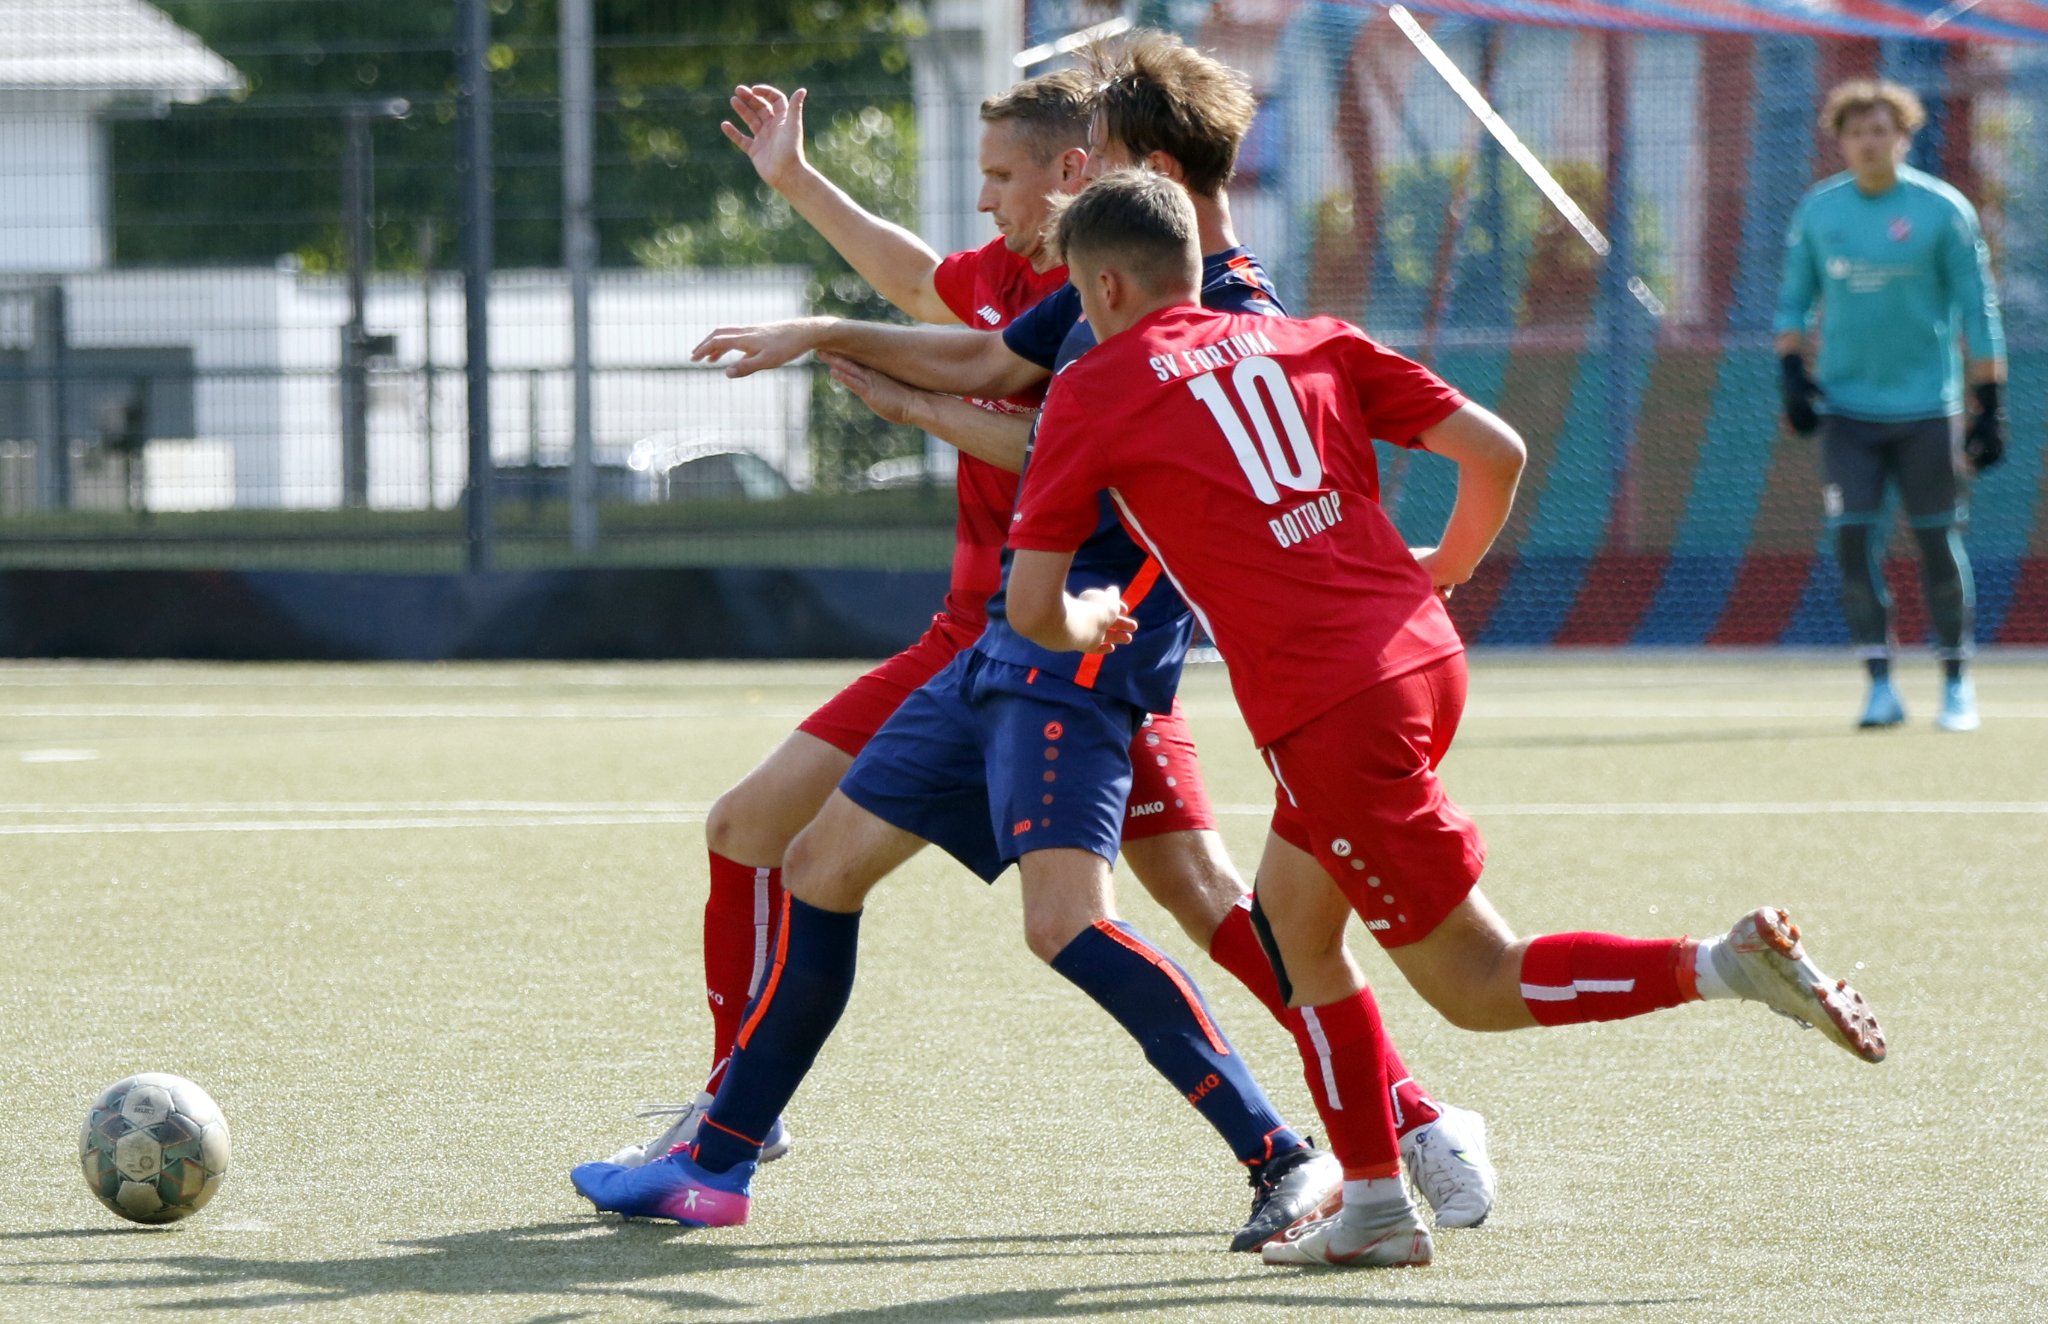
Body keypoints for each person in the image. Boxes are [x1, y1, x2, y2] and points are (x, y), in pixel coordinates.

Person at [1003, 169, 1888, 1270]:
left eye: (1082, 302)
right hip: (1417, 656)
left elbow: (1030, 606)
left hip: (1329, 706)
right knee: (1293, 921)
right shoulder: (1310, 335)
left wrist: (1090, 617)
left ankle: (1715, 963)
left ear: (1103, 283)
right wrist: (1449, 565)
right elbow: (1496, 451)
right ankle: (1373, 1199)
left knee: (1474, 981)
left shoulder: (1094, 387)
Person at [683, 32, 1493, 1228]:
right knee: (782, 836)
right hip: (1012, 643)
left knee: (1149, 903)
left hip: (1072, 649)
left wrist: (884, 381)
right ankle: (730, 1116)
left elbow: (1064, 449)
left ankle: (1369, 1127)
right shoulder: (1063, 279)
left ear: (1114, 170)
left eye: (1025, 174)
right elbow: (927, 298)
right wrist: (805, 212)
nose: (996, 199)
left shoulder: (1187, 303)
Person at [1774, 78, 2007, 732]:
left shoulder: (1942, 210)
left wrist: (1990, 403)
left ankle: (1957, 684)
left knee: (1938, 543)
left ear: (1904, 137)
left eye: (1882, 130)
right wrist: (1793, 372)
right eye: (1856, 132)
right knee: (1851, 544)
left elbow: (1978, 308)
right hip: (1848, 414)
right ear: (1840, 141)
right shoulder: (1819, 213)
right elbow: (1793, 302)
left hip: (1928, 411)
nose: (1870, 142)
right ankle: (1879, 685)